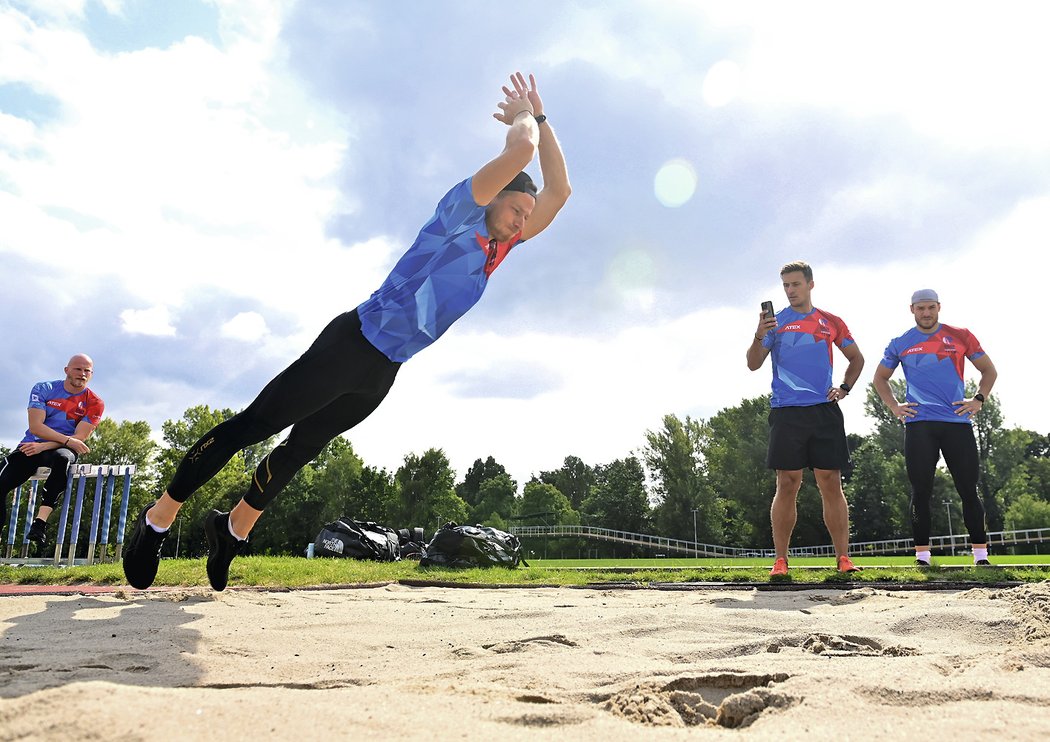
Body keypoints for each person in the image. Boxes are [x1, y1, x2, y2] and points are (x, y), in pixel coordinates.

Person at [122, 72, 571, 591]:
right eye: (515, 209)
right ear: (492, 199)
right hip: (351, 344)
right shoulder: (456, 216)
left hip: (382, 372)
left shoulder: (498, 249)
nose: (521, 222)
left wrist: (542, 118)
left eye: (525, 217)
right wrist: (522, 116)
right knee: (253, 426)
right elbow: (518, 155)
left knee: (301, 449)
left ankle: (231, 530)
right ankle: (156, 522)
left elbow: (559, 191)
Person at [747, 261, 865, 575]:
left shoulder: (830, 322)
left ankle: (843, 558)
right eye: (785, 285)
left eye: (795, 284)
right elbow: (753, 364)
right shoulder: (775, 324)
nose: (790, 291)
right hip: (786, 412)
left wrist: (844, 388)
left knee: (831, 483)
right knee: (787, 482)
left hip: (823, 411)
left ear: (810, 284)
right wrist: (759, 335)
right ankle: (781, 561)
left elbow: (856, 359)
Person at [872, 289, 997, 567]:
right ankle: (922, 557)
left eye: (930, 307)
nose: (926, 313)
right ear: (912, 310)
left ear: (939, 307)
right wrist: (894, 407)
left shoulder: (960, 335)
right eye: (920, 309)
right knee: (921, 491)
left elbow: (989, 371)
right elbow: (880, 378)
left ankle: (981, 556)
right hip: (920, 425)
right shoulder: (901, 343)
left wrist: (978, 400)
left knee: (968, 489)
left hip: (957, 423)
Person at [1, 354, 104, 551]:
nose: (82, 374)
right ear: (66, 370)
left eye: (87, 371)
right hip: (32, 445)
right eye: (77, 369)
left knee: (63, 458)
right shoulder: (44, 389)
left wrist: (47, 446)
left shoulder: (95, 402)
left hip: (58, 450)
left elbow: (78, 438)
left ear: (91, 374)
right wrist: (64, 440)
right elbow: (36, 427)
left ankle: (40, 523)